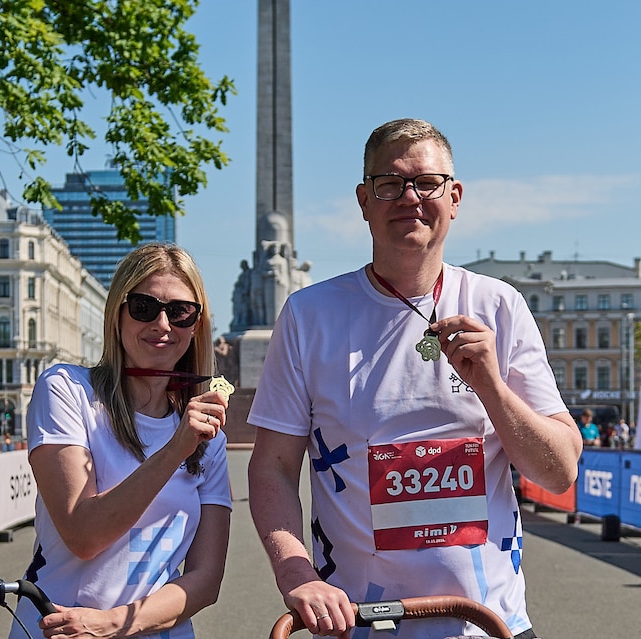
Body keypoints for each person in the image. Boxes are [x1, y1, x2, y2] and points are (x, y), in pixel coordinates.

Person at [246, 119, 583, 639]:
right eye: (390, 183)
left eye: (426, 183)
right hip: (359, 622)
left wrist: (491, 387)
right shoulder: (309, 315)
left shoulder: (499, 306)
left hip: (487, 623)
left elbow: (559, 471)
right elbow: (271, 467)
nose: (409, 197)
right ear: (364, 198)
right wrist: (296, 573)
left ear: (454, 196)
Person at [10, 242, 231, 639]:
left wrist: (110, 624)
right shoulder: (67, 389)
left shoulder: (207, 435)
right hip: (57, 628)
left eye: (180, 312)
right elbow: (83, 534)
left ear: (196, 325)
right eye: (144, 307)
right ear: (117, 313)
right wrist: (174, 449)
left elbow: (206, 579)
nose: (163, 325)